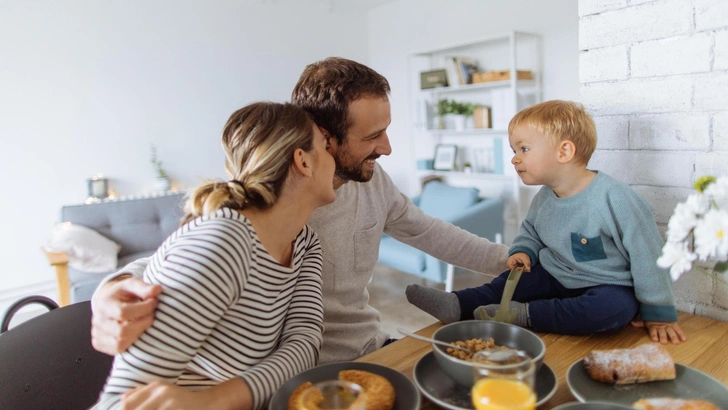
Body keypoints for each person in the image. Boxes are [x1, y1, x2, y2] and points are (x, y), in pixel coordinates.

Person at [90, 58, 509, 371]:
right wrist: (113, 288)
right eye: (372, 136)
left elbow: (428, 231)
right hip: (291, 376)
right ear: (322, 140)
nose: (387, 148)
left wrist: (507, 260)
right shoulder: (278, 197)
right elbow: (186, 254)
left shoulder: (371, 181)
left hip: (368, 347)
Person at [93, 102, 335, 410]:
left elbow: (305, 345)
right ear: (303, 161)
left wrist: (213, 401)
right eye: (325, 148)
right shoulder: (224, 242)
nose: (333, 160)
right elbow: (118, 403)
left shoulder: (305, 243)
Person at [406, 100, 687, 345]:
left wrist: (658, 311)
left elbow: (650, 257)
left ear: (564, 152)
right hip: (553, 275)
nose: (515, 159)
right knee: (509, 283)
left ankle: (525, 315)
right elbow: (531, 230)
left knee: (612, 310)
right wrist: (522, 251)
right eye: (515, 150)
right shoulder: (544, 196)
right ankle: (459, 304)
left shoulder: (617, 200)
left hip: (606, 285)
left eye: (524, 149)